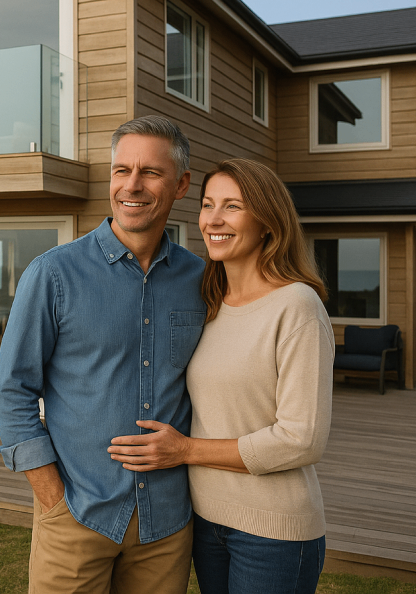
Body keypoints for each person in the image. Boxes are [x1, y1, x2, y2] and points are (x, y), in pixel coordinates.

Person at [0, 115, 206, 594]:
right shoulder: (53, 274)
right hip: (77, 513)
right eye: (121, 170)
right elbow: (12, 391)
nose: (132, 185)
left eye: (150, 172)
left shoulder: (202, 279)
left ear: (182, 184)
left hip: (167, 524)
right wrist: (52, 498)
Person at [108, 158, 333, 594]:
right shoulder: (210, 301)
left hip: (274, 531)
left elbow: (303, 439)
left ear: (267, 221)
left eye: (233, 207)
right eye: (208, 204)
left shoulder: (297, 307)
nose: (214, 219)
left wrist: (185, 450)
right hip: (207, 522)